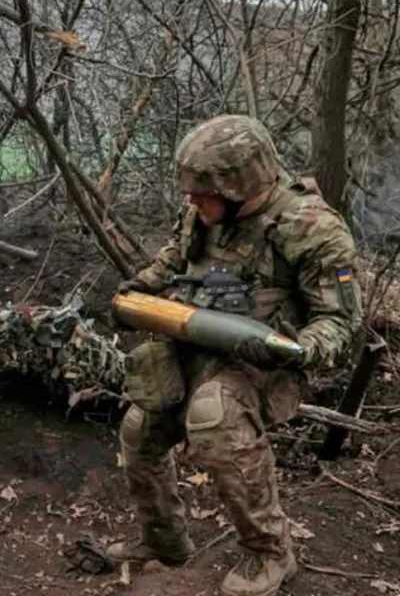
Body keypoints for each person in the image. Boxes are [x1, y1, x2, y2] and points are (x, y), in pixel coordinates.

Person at [108, 115, 362, 596]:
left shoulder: (310, 227)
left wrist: (299, 350)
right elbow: (175, 257)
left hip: (264, 366)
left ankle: (270, 551)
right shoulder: (203, 211)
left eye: (203, 194)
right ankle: (163, 540)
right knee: (140, 427)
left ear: (240, 186)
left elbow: (340, 321)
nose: (192, 202)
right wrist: (142, 288)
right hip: (194, 347)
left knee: (215, 416)